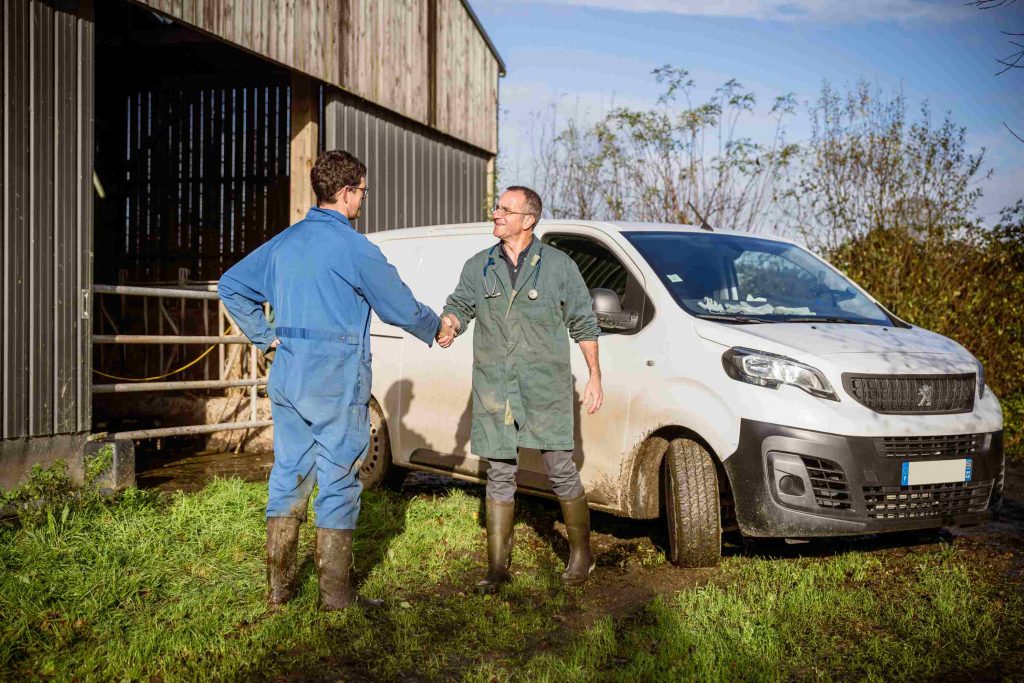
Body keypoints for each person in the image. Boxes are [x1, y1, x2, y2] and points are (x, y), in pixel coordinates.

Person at [218, 150, 444, 610]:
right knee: (339, 475)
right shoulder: (354, 247)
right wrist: (435, 326)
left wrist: (266, 339)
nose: (363, 200)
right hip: (334, 375)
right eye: (361, 191)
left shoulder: (283, 243)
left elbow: (231, 285)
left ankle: (279, 594)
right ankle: (336, 597)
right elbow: (398, 306)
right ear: (345, 193)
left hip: (288, 372)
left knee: (288, 473)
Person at [437, 185, 603, 593]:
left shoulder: (560, 267)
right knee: (499, 474)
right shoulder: (479, 265)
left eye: (504, 209)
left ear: (528, 220)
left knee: (560, 470)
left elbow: (583, 322)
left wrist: (595, 377)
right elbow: (460, 305)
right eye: (496, 207)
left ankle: (582, 555)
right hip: (496, 386)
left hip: (544, 386)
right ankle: (497, 568)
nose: (495, 214)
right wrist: (450, 325)